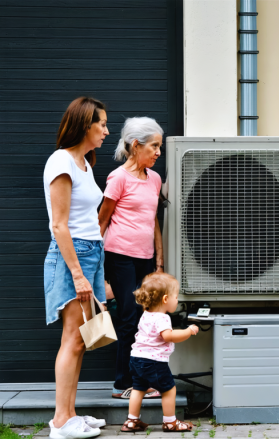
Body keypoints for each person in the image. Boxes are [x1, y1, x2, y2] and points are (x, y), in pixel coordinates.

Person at [44, 97, 109, 439]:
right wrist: (79, 274)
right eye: (102, 124)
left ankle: (69, 414)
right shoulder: (61, 161)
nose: (107, 131)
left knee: (83, 339)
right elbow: (59, 225)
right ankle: (60, 422)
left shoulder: (84, 163)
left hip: (92, 252)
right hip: (74, 255)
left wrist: (97, 271)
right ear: (85, 124)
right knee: (72, 338)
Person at [97, 117, 164, 399]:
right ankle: (122, 384)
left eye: (159, 147)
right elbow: (102, 221)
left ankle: (141, 380)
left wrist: (159, 259)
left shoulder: (155, 179)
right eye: (154, 146)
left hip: (145, 259)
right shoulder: (118, 178)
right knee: (128, 318)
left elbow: (153, 219)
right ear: (136, 145)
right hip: (120, 256)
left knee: (146, 319)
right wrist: (97, 269)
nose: (158, 152)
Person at [120, 273, 198, 432]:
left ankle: (131, 421)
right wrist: (188, 331)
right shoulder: (162, 318)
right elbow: (168, 336)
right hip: (153, 362)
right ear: (165, 299)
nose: (177, 300)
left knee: (138, 389)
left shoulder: (145, 315)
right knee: (169, 389)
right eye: (176, 297)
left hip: (136, 358)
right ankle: (170, 422)